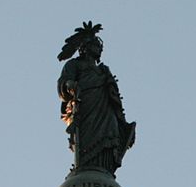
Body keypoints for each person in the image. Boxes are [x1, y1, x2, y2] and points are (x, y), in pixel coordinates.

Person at [57, 22, 136, 173]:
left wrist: (123, 124)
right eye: (94, 44)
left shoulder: (104, 71)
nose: (99, 48)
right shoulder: (74, 64)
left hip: (105, 110)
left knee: (109, 135)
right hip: (85, 105)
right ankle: (86, 168)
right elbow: (64, 82)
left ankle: (104, 169)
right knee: (87, 137)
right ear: (85, 47)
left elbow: (116, 100)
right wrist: (70, 85)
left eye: (99, 46)